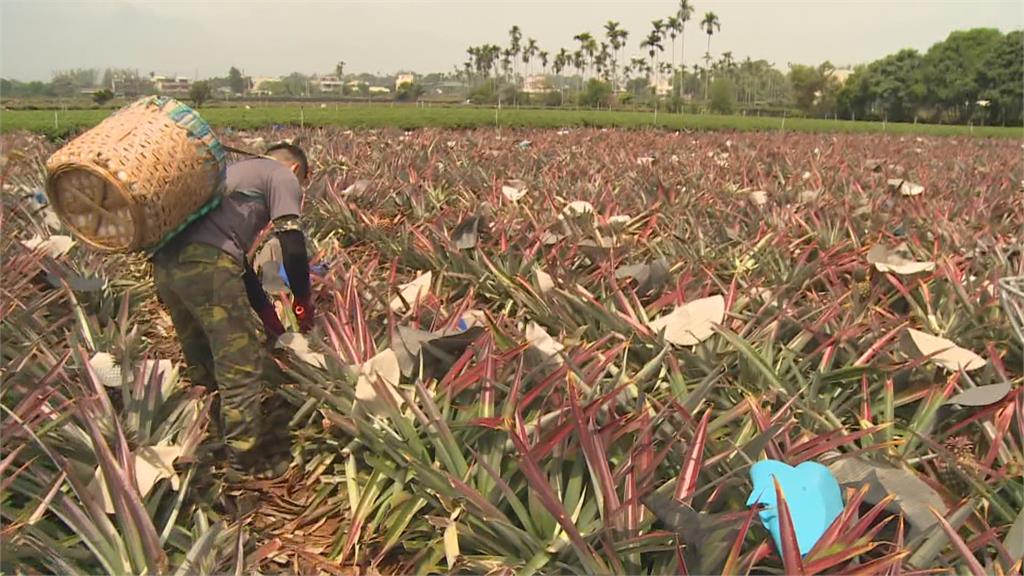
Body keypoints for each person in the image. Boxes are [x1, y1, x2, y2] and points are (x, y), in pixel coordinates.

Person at [151, 142, 315, 479]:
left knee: (203, 356)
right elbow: (293, 246)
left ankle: (209, 434)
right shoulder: (282, 174)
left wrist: (270, 318)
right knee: (239, 363)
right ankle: (243, 458)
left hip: (166, 265)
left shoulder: (230, 176)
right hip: (206, 266)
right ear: (296, 170)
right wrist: (303, 300)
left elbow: (239, 265)